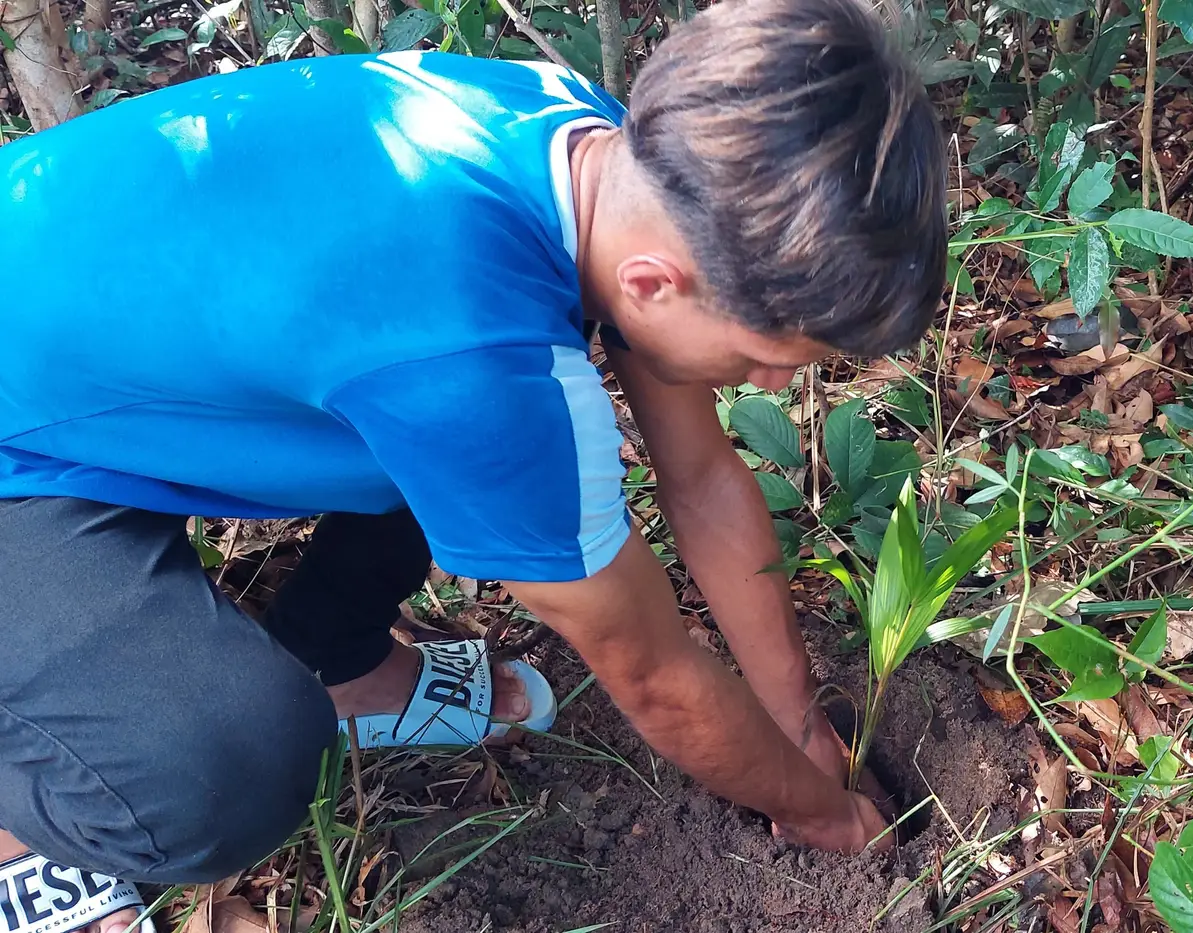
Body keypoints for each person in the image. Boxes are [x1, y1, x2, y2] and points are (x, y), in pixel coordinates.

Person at [0, 0, 948, 929]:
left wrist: (794, 721)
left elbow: (697, 476)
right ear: (656, 284)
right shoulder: (476, 359)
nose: (777, 380)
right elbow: (652, 673)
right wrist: (825, 815)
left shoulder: (597, 143)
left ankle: (341, 660)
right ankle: (22, 819)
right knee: (223, 771)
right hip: (22, 453)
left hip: (95, 379)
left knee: (494, 451)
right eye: (766, 354)